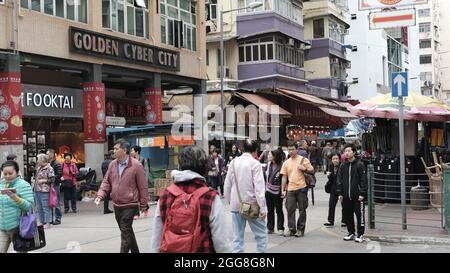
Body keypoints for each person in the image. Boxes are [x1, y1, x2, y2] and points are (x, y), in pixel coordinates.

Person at [151, 146, 231, 253]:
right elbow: (221, 243)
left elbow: (157, 236)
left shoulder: (166, 195)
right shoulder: (210, 197)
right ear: (204, 167)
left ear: (180, 165)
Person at [95, 139, 149, 253]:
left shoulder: (136, 165)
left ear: (124, 150)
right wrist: (100, 195)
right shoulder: (112, 164)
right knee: (127, 231)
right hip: (117, 204)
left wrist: (144, 204)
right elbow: (106, 181)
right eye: (113, 148)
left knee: (125, 234)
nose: (113, 151)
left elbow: (143, 186)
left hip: (130, 204)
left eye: (116, 148)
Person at [224, 139, 267, 253]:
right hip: (252, 205)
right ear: (256, 150)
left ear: (242, 149)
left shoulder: (233, 162)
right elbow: (259, 189)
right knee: (261, 236)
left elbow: (227, 185)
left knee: (237, 239)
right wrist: (263, 208)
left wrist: (230, 201)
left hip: (236, 205)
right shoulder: (255, 164)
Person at [0, 160, 35, 253]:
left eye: (10, 173)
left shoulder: (24, 185)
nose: (7, 176)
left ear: (17, 172)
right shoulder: (1, 185)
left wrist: (15, 198)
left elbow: (30, 207)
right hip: (2, 227)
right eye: (5, 173)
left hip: (19, 228)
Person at [281, 142, 314, 237]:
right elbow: (284, 177)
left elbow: (311, 170)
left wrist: (304, 168)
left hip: (302, 188)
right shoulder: (286, 162)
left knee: (302, 209)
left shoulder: (304, 160)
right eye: (289, 149)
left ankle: (300, 229)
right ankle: (291, 229)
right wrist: (283, 190)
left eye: (292, 149)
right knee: (290, 209)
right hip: (290, 188)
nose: (291, 151)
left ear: (297, 149)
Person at [337, 144, 368, 243]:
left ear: (354, 152)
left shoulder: (359, 164)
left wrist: (362, 193)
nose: (347, 153)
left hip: (358, 196)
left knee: (360, 216)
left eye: (349, 151)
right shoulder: (342, 165)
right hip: (346, 196)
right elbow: (339, 180)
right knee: (347, 215)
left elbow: (363, 180)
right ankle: (351, 232)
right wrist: (340, 193)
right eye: (345, 151)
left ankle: (360, 234)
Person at [265, 149, 284, 236]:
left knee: (279, 210)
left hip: (278, 191)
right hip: (268, 190)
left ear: (274, 157)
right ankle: (270, 228)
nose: (268, 156)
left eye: (269, 155)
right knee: (270, 210)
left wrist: (284, 190)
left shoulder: (282, 165)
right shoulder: (269, 164)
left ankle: (280, 228)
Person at [33, 153, 55, 229]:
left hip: (45, 190)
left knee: (45, 207)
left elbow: (52, 179)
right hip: (37, 189)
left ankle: (48, 222)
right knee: (39, 207)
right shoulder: (39, 168)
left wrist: (44, 180)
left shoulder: (49, 168)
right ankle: (42, 222)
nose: (37, 161)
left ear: (42, 160)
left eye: (38, 159)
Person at [324, 153, 345, 227]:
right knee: (331, 205)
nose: (335, 160)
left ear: (339, 159)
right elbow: (331, 179)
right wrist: (328, 175)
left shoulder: (343, 166)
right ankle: (330, 221)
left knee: (344, 206)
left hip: (342, 189)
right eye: (333, 159)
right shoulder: (330, 166)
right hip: (333, 189)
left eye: (336, 158)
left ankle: (344, 221)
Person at [130, 145, 150, 219]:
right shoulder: (130, 160)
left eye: (132, 151)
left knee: (142, 196)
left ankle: (145, 208)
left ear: (137, 152)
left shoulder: (143, 160)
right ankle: (136, 214)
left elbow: (146, 170)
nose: (131, 152)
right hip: (133, 182)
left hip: (141, 181)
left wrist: (145, 181)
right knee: (134, 197)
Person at [47, 149, 63, 225]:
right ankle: (50, 218)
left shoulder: (57, 163)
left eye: (48, 154)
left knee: (56, 201)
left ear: (52, 154)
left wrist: (51, 178)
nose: (47, 155)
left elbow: (59, 174)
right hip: (49, 185)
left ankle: (58, 218)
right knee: (50, 202)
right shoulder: (47, 163)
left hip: (55, 184)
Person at [101, 150, 114, 214]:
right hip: (112, 180)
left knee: (106, 196)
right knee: (115, 194)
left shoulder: (103, 162)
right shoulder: (112, 162)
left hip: (105, 180)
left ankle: (105, 209)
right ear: (111, 154)